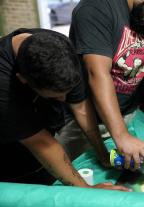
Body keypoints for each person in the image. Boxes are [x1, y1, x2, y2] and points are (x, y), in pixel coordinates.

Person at [0, 28, 129, 191]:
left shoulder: (61, 48)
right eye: (54, 97)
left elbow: (80, 106)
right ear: (22, 79)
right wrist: (86, 190)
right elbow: (42, 144)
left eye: (66, 93)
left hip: (40, 139)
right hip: (9, 160)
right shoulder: (4, 84)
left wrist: (103, 154)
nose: (63, 100)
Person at [69, 0, 144, 171]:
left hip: (126, 116)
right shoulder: (96, 7)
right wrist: (121, 135)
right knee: (84, 183)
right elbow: (97, 73)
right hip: (84, 121)